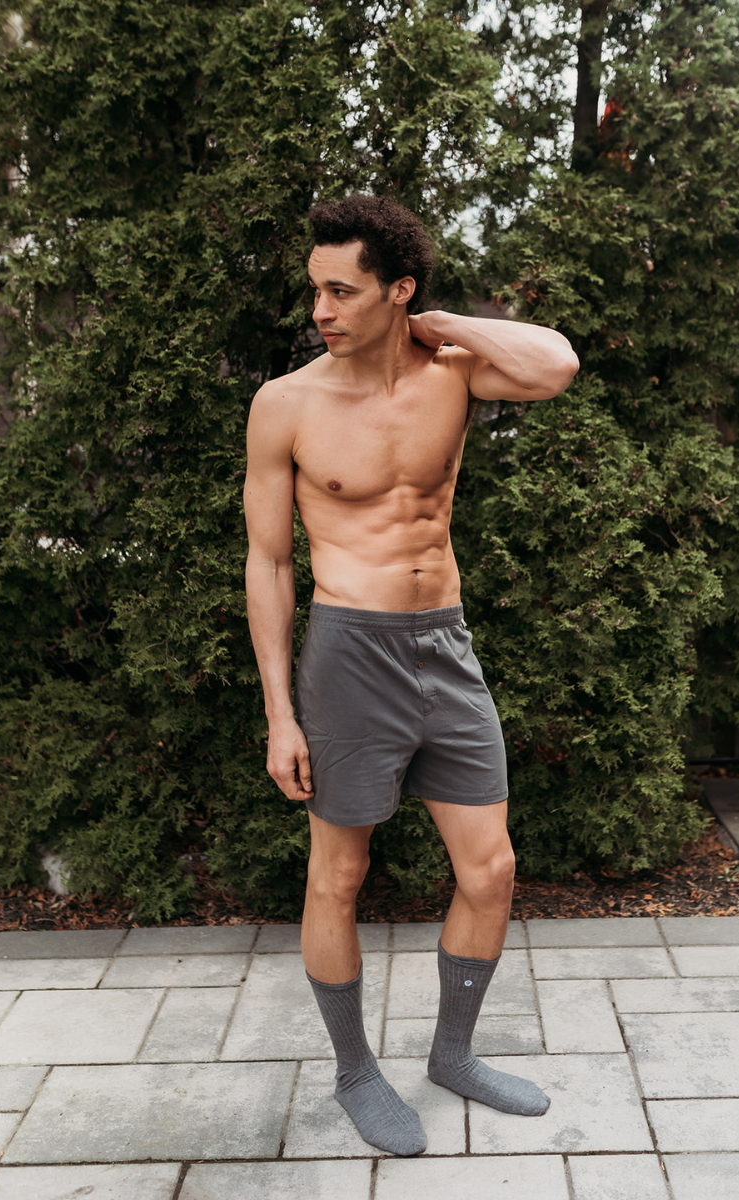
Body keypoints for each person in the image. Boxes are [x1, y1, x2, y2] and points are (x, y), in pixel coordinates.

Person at [244, 194, 579, 1157]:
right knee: (339, 872)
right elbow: (268, 564)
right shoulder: (288, 404)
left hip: (446, 644)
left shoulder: (453, 374)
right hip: (349, 652)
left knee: (492, 868)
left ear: (398, 291)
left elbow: (556, 364)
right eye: (315, 291)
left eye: (343, 291)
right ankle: (355, 1073)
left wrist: (436, 323)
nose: (322, 310)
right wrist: (280, 713)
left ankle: (454, 1055)